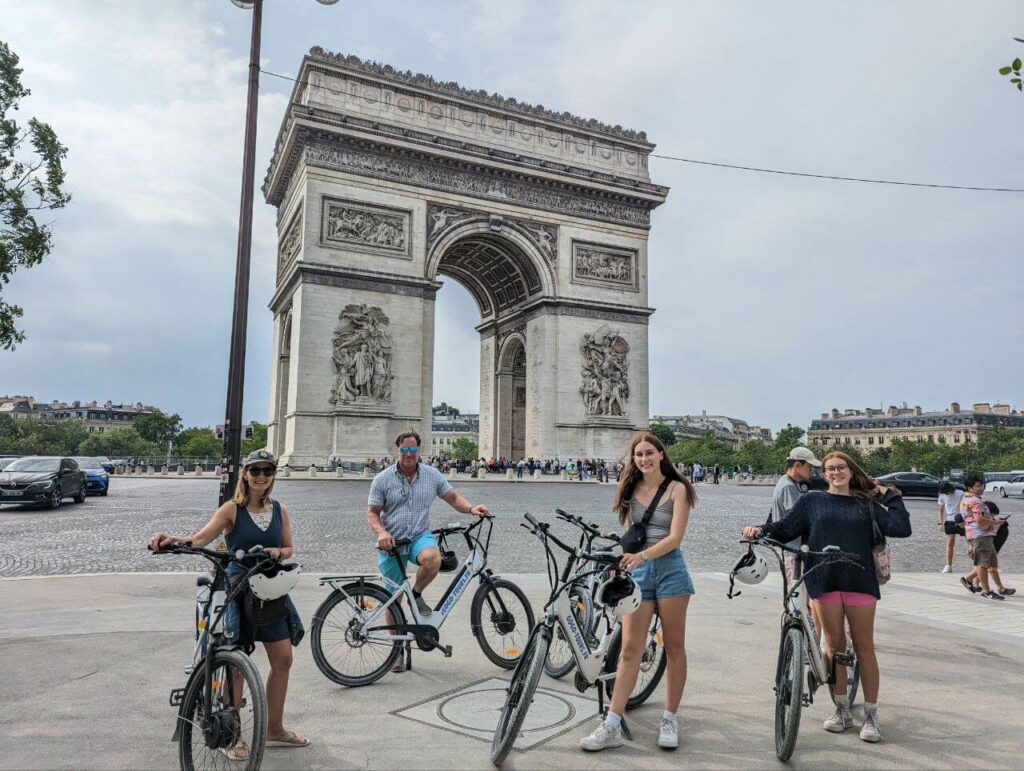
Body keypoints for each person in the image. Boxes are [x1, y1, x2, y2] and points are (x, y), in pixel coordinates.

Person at [147, 449, 309, 757]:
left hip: (270, 586)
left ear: (274, 475)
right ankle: (234, 735)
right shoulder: (231, 509)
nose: (262, 476)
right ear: (245, 474)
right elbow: (200, 539)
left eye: (268, 471)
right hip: (237, 589)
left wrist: (277, 553)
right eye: (256, 470)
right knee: (236, 664)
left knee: (284, 659)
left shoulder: (280, 510)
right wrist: (168, 539)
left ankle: (274, 728)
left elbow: (289, 548)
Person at [742, 450, 911, 743]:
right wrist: (759, 530)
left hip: (859, 580)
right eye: (830, 469)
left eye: (840, 467)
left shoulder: (866, 503)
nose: (835, 472)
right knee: (834, 646)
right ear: (825, 474)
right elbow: (785, 528)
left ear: (850, 470)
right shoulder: (811, 501)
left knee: (864, 647)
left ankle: (871, 714)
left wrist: (889, 495)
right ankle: (842, 708)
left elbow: (901, 527)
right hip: (823, 579)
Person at [579, 432, 697, 753]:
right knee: (630, 650)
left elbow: (675, 538)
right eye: (638, 455)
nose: (643, 459)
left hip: (670, 570)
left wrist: (642, 556)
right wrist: (624, 562)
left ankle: (670, 717)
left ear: (661, 455)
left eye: (649, 453)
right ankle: (612, 723)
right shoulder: (629, 491)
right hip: (640, 572)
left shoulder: (678, 489)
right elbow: (632, 536)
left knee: (674, 648)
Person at [367, 430, 489, 670]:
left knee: (433, 558)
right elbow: (372, 513)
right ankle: (396, 650)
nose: (409, 454)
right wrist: (381, 533)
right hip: (392, 542)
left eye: (413, 449)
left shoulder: (431, 475)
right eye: (405, 449)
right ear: (397, 450)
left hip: (419, 537)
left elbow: (452, 497)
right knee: (394, 600)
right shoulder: (382, 479)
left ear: (419, 451)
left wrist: (472, 508)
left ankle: (418, 593)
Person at [958, 475, 1010, 600]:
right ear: (970, 488)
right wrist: (996, 522)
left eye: (982, 485)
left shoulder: (966, 498)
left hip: (980, 534)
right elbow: (979, 519)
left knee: (988, 562)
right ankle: (986, 591)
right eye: (978, 486)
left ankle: (969, 579)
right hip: (980, 534)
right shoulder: (976, 501)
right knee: (982, 563)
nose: (981, 488)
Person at [937, 481, 965, 573]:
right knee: (950, 543)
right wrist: (940, 523)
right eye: (946, 493)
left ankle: (978, 565)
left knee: (971, 541)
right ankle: (948, 566)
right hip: (950, 521)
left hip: (962, 521)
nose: (949, 494)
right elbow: (941, 510)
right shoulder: (942, 495)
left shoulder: (960, 493)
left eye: (949, 491)